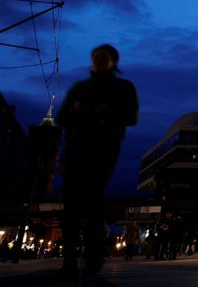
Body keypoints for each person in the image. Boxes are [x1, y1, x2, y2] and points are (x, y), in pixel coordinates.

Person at [56, 43, 139, 278]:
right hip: (76, 145)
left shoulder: (124, 87)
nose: (99, 61)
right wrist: (77, 111)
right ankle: (69, 260)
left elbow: (131, 117)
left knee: (93, 197)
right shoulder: (80, 88)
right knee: (71, 202)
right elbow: (62, 117)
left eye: (104, 57)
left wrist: (105, 112)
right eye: (96, 57)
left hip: (104, 146)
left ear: (113, 61)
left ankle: (93, 255)